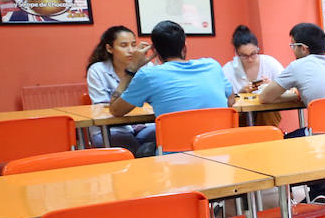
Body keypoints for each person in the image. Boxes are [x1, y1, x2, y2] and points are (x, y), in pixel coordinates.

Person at [109, 21, 236, 150]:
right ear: (185, 47)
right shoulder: (212, 66)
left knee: (142, 150)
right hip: (219, 152)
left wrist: (131, 69)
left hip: (175, 159)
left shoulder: (148, 75)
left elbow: (115, 110)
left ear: (154, 51)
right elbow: (231, 100)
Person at [257, 22, 325, 138]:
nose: (293, 49)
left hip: (321, 137)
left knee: (279, 141)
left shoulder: (298, 66)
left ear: (304, 48)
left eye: (293, 45)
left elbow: (264, 97)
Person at [84, 25, 155, 153]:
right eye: (124, 46)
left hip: (144, 125)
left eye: (134, 45)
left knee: (164, 133)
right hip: (111, 128)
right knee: (129, 147)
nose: (131, 50)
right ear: (109, 48)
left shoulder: (147, 66)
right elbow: (101, 106)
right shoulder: (97, 70)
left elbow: (155, 99)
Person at [222, 24, 284, 127]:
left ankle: (268, 139)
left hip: (268, 114)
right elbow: (224, 102)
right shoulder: (228, 69)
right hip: (241, 117)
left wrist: (273, 86)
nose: (250, 59)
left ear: (258, 49)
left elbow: (288, 86)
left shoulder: (269, 62)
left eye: (253, 54)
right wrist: (240, 93)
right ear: (236, 53)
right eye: (244, 56)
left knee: (266, 110)